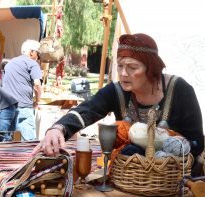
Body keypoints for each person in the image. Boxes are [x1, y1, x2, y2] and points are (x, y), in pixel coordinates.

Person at [32, 33, 204, 176]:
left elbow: (198, 143)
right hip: (130, 179)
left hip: (174, 181)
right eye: (120, 65)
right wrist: (58, 129)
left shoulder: (179, 90)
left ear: (152, 68)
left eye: (132, 67)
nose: (123, 73)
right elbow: (87, 109)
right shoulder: (118, 91)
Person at [2, 39, 42, 141]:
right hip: (23, 107)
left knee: (7, 143)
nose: (38, 57)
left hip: (7, 107)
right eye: (38, 53)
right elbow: (37, 85)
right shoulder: (32, 64)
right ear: (32, 52)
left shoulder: (10, 63)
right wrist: (37, 101)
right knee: (27, 144)